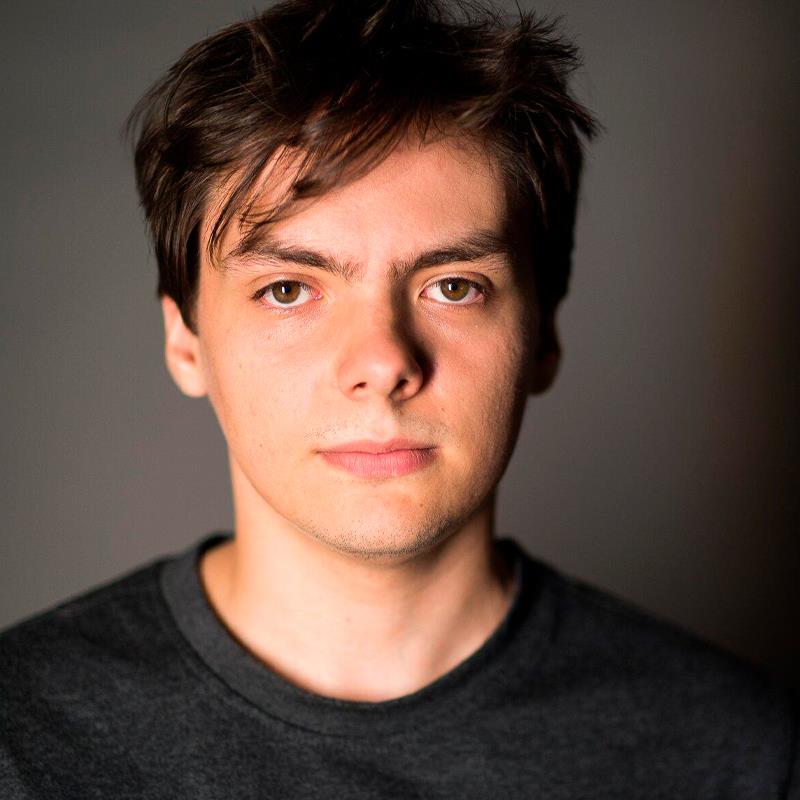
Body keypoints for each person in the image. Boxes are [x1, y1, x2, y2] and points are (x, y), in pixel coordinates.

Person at [1, 0, 797, 796]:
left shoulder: (737, 754)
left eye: (453, 286)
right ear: (186, 342)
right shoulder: (21, 737)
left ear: (543, 334)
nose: (382, 363)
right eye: (288, 289)